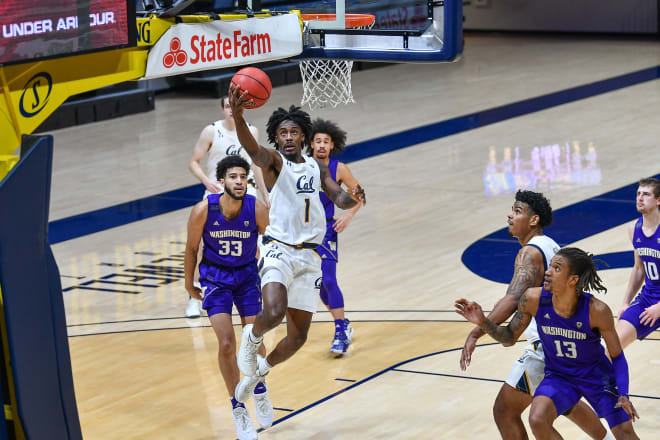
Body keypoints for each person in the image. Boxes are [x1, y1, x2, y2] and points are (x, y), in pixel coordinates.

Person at [227, 86, 366, 393]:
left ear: (303, 136)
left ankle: (260, 371)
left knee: (298, 337)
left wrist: (351, 199)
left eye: (293, 132)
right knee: (274, 312)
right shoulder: (275, 162)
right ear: (276, 139)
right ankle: (251, 340)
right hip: (279, 249)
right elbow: (253, 151)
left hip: (310, 256)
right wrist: (238, 118)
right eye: (282, 132)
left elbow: (336, 194)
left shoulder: (316, 166)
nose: (288, 136)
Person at [459, 190, 608, 440]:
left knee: (505, 410)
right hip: (564, 341)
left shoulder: (529, 253)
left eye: (517, 211)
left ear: (533, 220)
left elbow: (512, 299)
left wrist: (476, 332)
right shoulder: (549, 244)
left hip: (545, 345)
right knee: (564, 403)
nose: (510, 215)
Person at [456, 247, 640, 440]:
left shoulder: (596, 310)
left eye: (557, 268)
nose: (548, 272)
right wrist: (483, 322)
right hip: (560, 376)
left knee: (624, 433)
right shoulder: (533, 299)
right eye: (550, 265)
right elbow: (509, 337)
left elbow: (617, 356)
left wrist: (624, 393)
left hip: (596, 376)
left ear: (573, 279)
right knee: (537, 419)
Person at [184, 156, 272, 440]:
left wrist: (271, 277)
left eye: (243, 177)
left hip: (246, 278)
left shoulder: (256, 208)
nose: (239, 181)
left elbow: (271, 244)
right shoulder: (202, 210)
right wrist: (189, 285)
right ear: (221, 182)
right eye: (233, 176)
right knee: (226, 344)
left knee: (254, 341)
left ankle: (258, 388)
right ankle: (238, 408)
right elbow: (190, 249)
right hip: (215, 279)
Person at [185, 95, 270, 318]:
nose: (231, 110)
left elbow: (256, 165)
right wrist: (206, 180)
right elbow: (193, 161)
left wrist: (264, 193)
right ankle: (195, 295)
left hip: (246, 190)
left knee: (255, 243)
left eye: (235, 106)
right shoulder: (211, 131)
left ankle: (251, 289)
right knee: (205, 245)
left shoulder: (252, 131)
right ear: (222, 109)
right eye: (227, 106)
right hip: (217, 191)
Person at [308, 118, 362, 355]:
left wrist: (348, 215)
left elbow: (359, 193)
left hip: (327, 230)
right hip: (303, 232)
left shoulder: (339, 168)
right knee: (317, 284)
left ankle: (340, 330)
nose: (321, 145)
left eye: (325, 142)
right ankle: (344, 323)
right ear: (310, 144)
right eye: (318, 141)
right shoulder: (301, 165)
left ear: (332, 145)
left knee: (329, 280)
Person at [616, 177, 660, 349]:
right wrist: (626, 302)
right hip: (648, 298)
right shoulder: (633, 228)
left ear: (658, 200)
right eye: (638, 194)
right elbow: (639, 269)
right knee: (613, 347)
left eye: (646, 194)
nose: (640, 198)